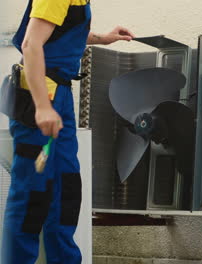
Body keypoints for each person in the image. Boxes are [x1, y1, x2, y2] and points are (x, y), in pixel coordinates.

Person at [1, 0, 134, 263]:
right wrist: (42, 107)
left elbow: (62, 29)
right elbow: (31, 44)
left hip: (59, 96)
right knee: (32, 193)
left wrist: (102, 38)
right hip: (41, 97)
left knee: (66, 188)